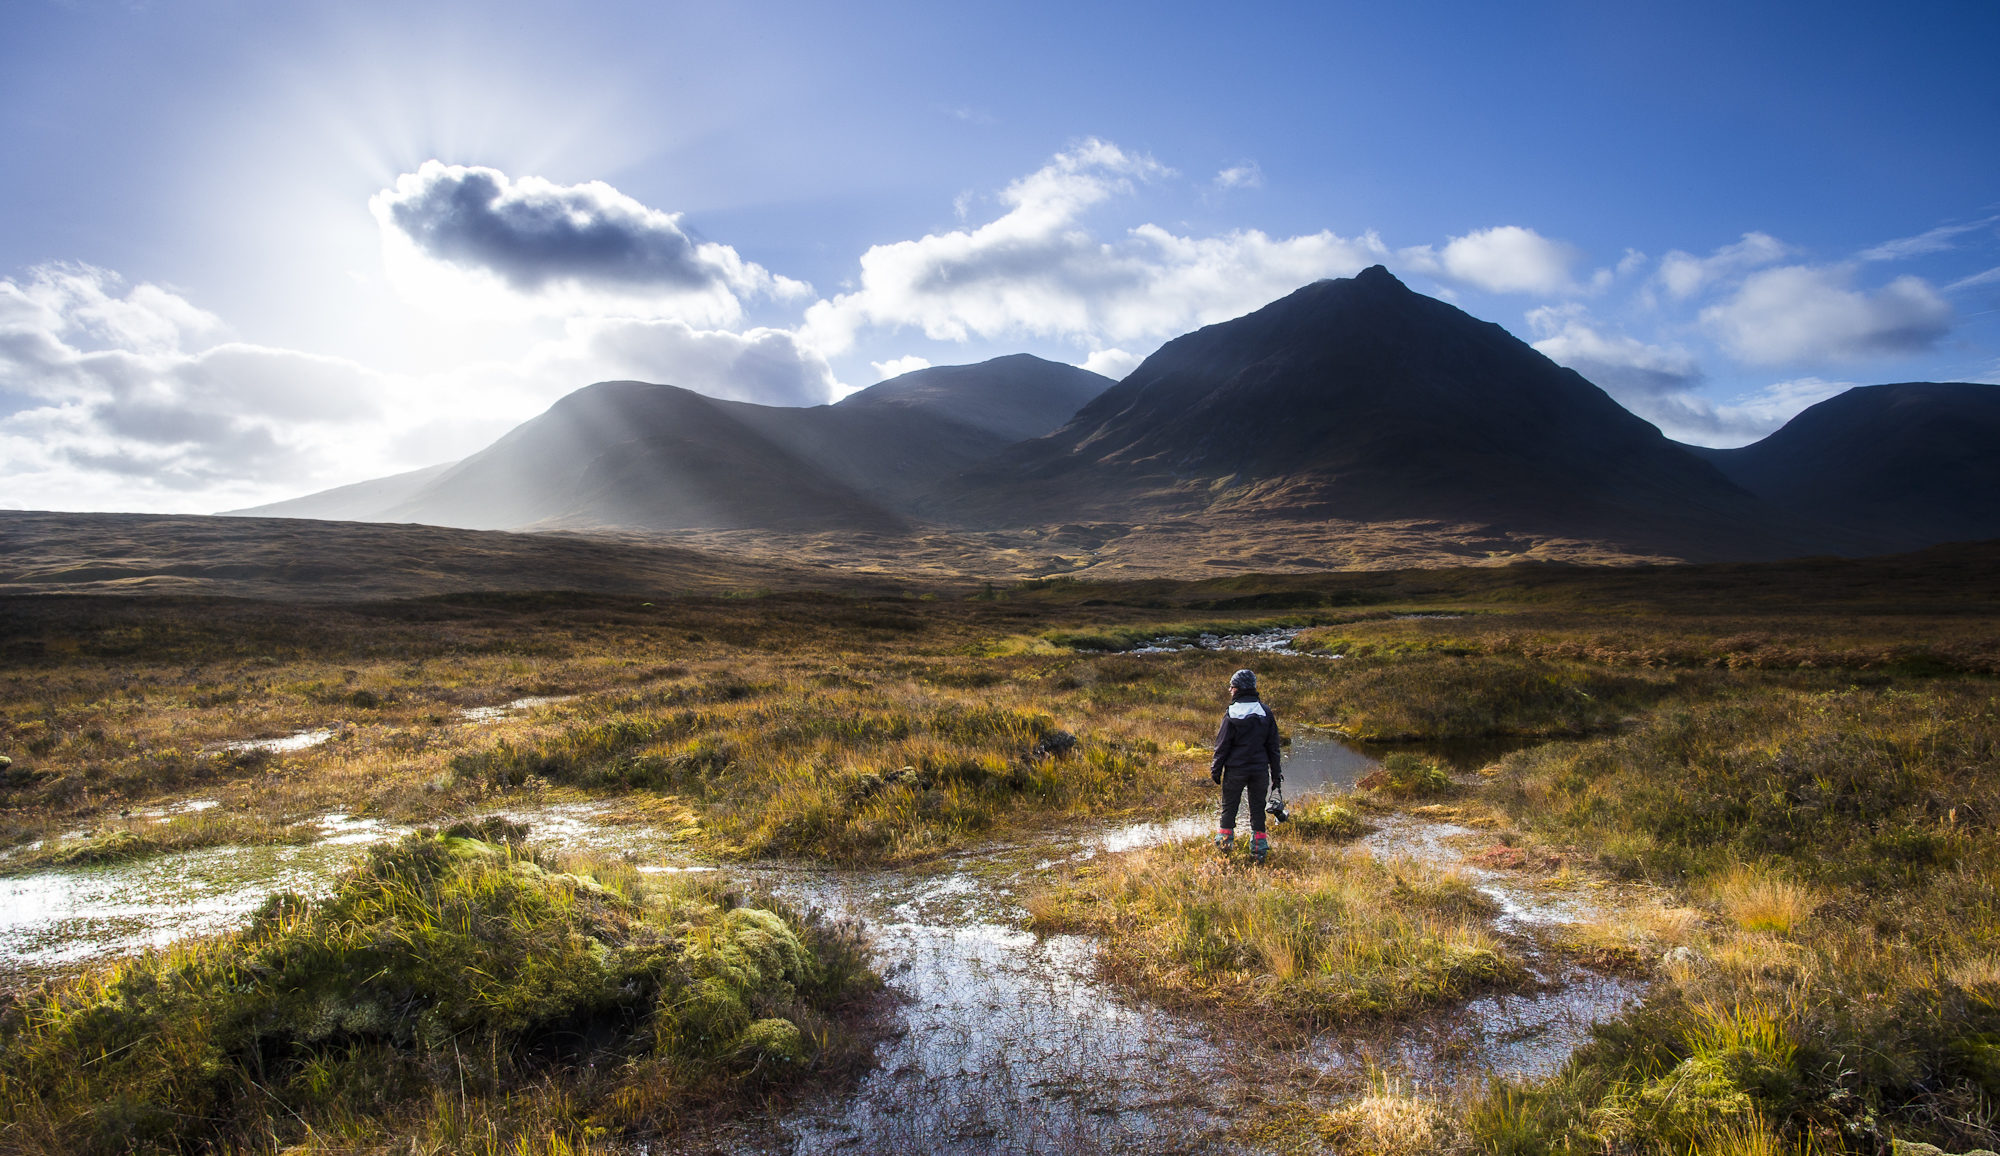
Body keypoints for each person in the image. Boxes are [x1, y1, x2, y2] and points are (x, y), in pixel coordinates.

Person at [1211, 667, 1282, 862]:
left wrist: (1216, 770)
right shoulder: (1265, 712)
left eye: (1231, 686)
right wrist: (1276, 776)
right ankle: (1259, 853)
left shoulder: (1231, 713)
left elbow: (1222, 745)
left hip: (1235, 771)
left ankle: (1224, 849)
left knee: (1229, 808)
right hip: (1259, 771)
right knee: (1258, 810)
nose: (1230, 690)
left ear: (1238, 689)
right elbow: (1273, 747)